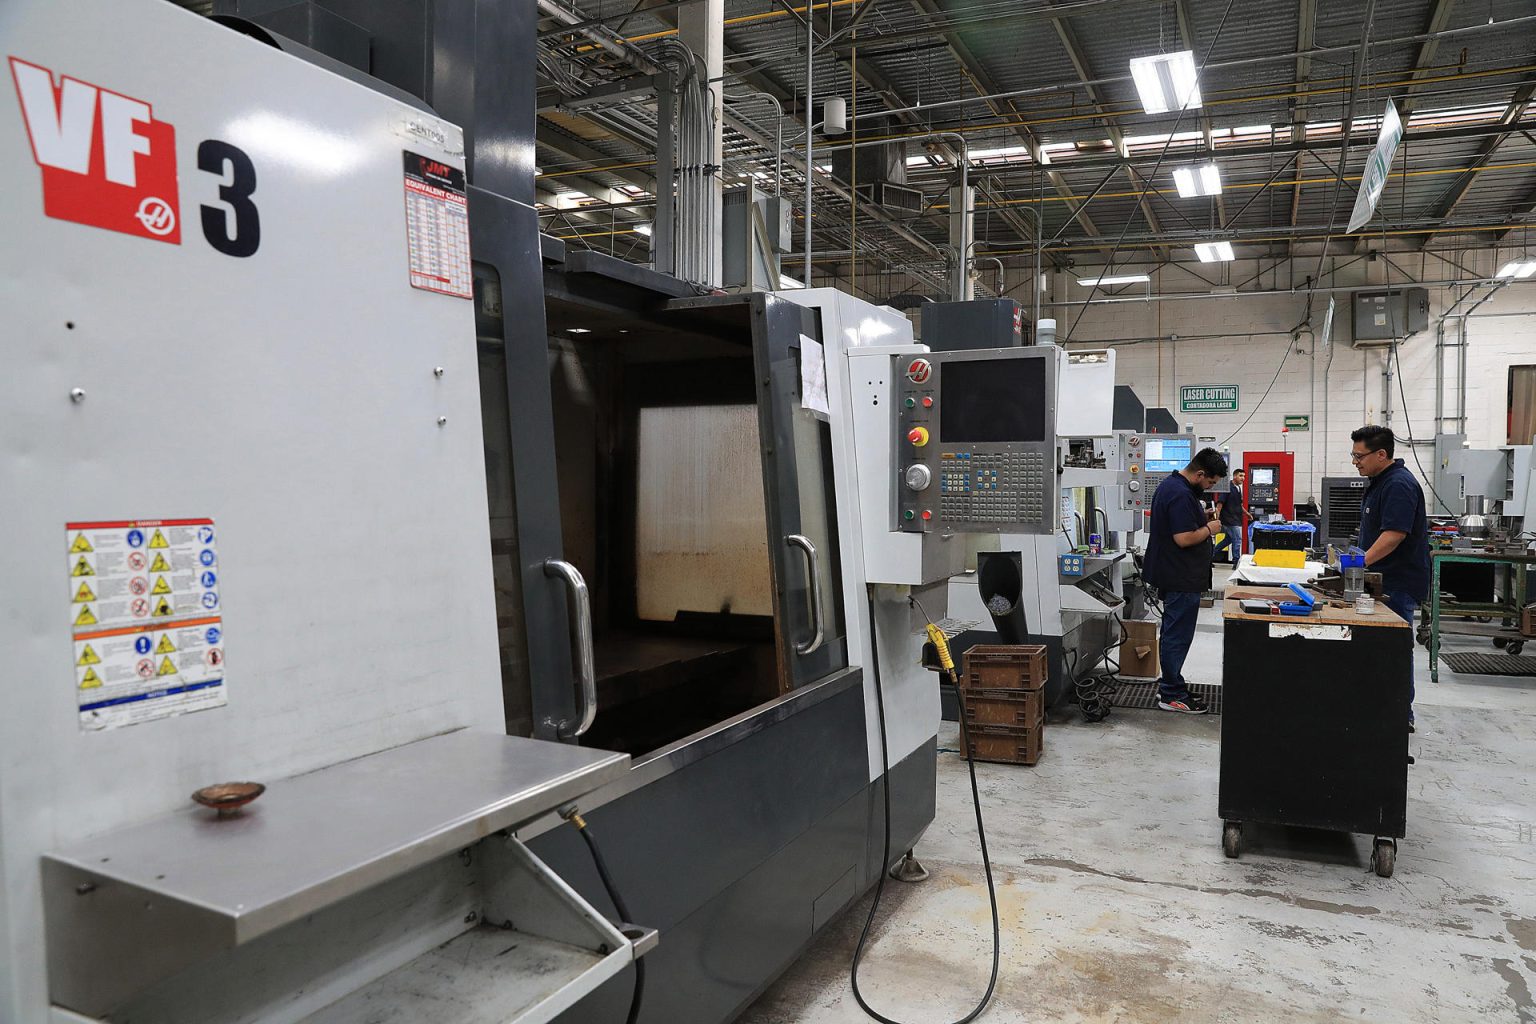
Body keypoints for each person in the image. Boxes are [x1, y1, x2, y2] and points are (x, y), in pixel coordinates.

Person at [1351, 424, 1430, 727]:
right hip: (1381, 579)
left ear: (1381, 454)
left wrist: (1356, 564)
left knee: (1393, 647)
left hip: (1395, 582)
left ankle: (1399, 714)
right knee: (1379, 646)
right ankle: (1379, 704)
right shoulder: (1380, 480)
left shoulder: (1398, 484)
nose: (1355, 461)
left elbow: (1394, 534)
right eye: (1353, 455)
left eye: (1360, 456)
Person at [1142, 447, 1229, 714]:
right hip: (1180, 577)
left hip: (1175, 574)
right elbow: (1183, 538)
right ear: (1200, 473)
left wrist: (1198, 518)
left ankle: (1172, 684)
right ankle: (1171, 694)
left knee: (1173, 634)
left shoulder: (1171, 486)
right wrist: (1210, 528)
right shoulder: (1180, 494)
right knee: (1177, 637)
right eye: (1210, 482)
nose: (1210, 487)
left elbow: (1176, 525)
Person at [1213, 468, 1246, 565]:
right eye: (1240, 476)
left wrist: (1247, 513)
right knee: (1238, 539)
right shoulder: (1228, 488)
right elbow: (1220, 503)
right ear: (1234, 476)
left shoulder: (1238, 488)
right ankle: (1236, 562)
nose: (1243, 478)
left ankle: (1210, 556)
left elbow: (1239, 505)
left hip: (1236, 519)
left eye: (1244, 476)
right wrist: (1217, 518)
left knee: (1228, 540)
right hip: (1229, 519)